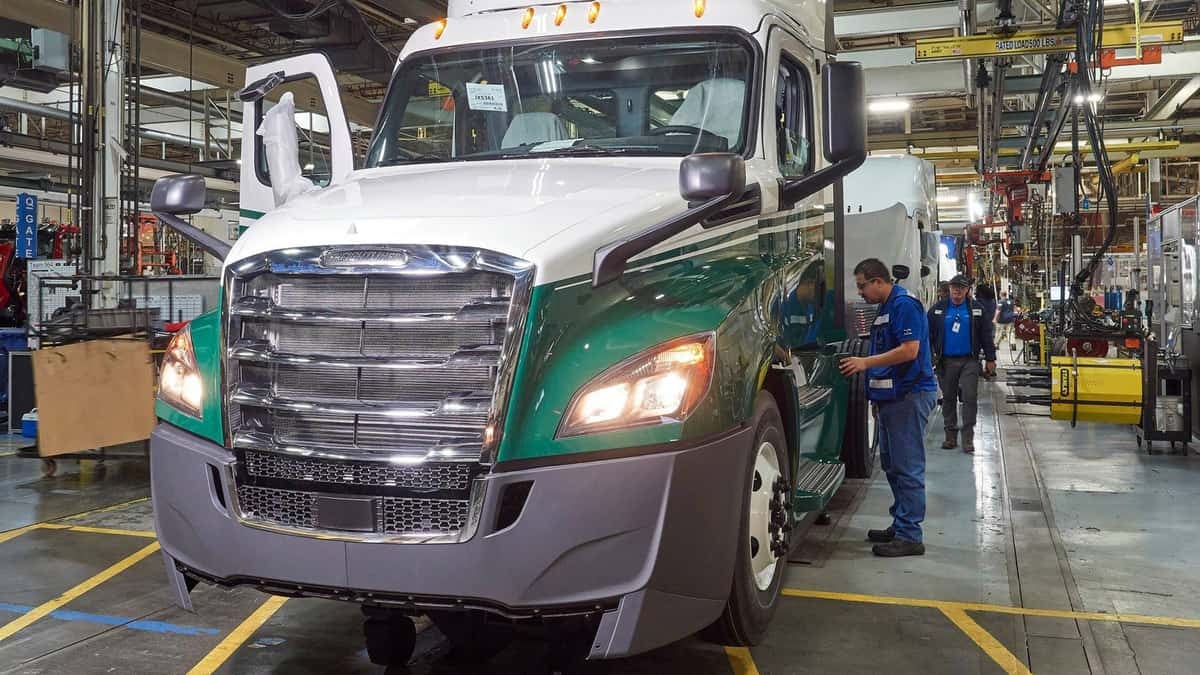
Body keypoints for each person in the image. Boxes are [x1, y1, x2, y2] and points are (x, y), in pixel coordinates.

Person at [840, 258, 938, 558]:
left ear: (878, 281)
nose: (860, 294)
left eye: (862, 286)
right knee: (893, 466)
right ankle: (901, 523)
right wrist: (876, 400)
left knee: (907, 467)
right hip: (891, 399)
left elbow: (910, 351)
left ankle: (911, 535)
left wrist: (864, 363)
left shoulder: (904, 305)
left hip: (910, 396)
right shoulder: (885, 307)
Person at [928, 275, 997, 454]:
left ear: (967, 290)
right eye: (954, 287)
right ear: (949, 289)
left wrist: (991, 358)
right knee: (949, 398)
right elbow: (927, 334)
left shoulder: (977, 310)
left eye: (961, 288)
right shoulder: (938, 310)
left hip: (970, 361)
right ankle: (950, 436)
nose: (957, 291)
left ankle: (968, 438)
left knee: (969, 397)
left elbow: (986, 336)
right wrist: (928, 357)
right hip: (946, 361)